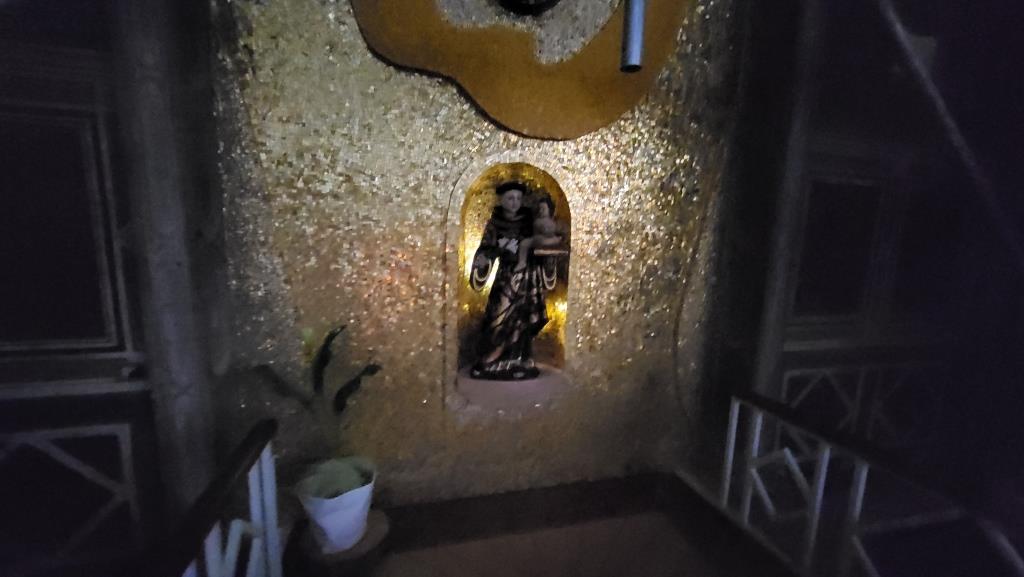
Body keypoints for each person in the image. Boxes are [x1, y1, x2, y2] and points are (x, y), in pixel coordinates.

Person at [469, 183, 552, 380]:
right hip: (506, 275)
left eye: (518, 198)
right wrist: (490, 254)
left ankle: (519, 358)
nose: (515, 203)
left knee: (522, 318)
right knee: (498, 315)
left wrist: (538, 252)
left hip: (528, 277)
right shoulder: (495, 223)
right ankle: (492, 359)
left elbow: (542, 241)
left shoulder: (529, 221)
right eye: (510, 198)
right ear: (502, 200)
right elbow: (486, 248)